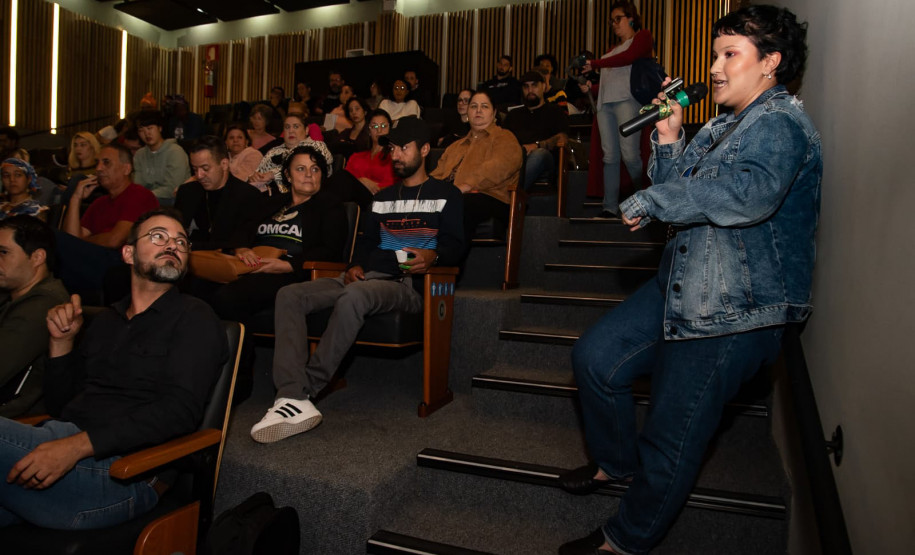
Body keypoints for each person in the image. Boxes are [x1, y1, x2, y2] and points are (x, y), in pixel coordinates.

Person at [558, 6, 820, 554]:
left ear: (770, 62)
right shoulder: (724, 124)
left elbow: (747, 196)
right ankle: (615, 462)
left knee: (671, 435)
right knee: (596, 359)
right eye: (716, 54)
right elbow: (681, 197)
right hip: (682, 281)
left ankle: (624, 541)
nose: (717, 68)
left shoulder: (781, 123)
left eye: (732, 55)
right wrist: (671, 136)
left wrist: (653, 196)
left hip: (734, 307)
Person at [0, 209, 228, 530]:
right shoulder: (106, 320)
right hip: (64, 445)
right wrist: (61, 344)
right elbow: (62, 405)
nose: (173, 246)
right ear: (128, 253)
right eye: (158, 236)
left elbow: (179, 412)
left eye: (181, 241)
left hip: (124, 473)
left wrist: (75, 447)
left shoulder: (195, 318)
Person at [249, 118, 464, 443]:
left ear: (423, 150)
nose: (395, 155)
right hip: (364, 275)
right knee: (290, 295)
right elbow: (365, 244)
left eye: (404, 148)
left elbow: (456, 245)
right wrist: (353, 265)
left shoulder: (447, 194)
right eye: (392, 148)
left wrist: (435, 256)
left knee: (356, 296)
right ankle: (291, 394)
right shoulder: (382, 198)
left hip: (406, 282)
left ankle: (304, 390)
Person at [203, 143, 347, 325]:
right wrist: (242, 248)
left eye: (315, 169)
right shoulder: (272, 203)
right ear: (288, 175)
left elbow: (330, 251)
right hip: (251, 266)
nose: (309, 174)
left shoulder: (330, 206)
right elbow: (243, 229)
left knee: (227, 298)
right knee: (198, 288)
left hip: (293, 274)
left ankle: (241, 350)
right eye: (301, 169)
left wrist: (285, 265)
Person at [580, 1, 653, 217]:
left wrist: (595, 64)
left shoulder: (641, 37)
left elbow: (628, 59)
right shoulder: (611, 51)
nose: (614, 24)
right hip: (605, 103)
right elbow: (610, 79)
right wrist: (590, 88)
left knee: (630, 154)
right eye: (611, 21)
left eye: (617, 18)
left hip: (627, 100)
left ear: (631, 18)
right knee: (609, 156)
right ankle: (610, 206)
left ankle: (645, 197)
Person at [57, 144, 159, 295]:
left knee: (55, 239)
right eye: (97, 162)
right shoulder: (99, 203)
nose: (98, 168)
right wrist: (76, 198)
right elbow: (71, 239)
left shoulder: (139, 195)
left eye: (106, 162)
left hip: (122, 262)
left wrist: (78, 242)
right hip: (95, 260)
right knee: (56, 241)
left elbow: (114, 240)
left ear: (126, 169)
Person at [429, 90, 522, 247]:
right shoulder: (454, 146)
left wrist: (465, 186)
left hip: (490, 197)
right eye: (473, 106)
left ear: (494, 113)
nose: (478, 110)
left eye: (484, 106)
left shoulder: (504, 137)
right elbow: (437, 174)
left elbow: (497, 167)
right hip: (455, 195)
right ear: (467, 113)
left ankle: (449, 262)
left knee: (460, 204)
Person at [0, 216, 69, 418]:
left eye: (3, 252)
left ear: (38, 257)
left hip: (18, 421)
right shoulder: (13, 296)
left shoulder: (44, 304)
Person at [175, 136, 268, 251]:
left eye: (205, 168)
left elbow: (238, 244)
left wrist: (190, 246)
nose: (199, 175)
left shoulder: (248, 196)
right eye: (195, 169)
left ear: (224, 164)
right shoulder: (187, 192)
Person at [503, 71, 570, 189]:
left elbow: (563, 138)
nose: (530, 90)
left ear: (544, 87)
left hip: (545, 160)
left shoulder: (555, 111)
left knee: (539, 154)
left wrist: (537, 146)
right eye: (526, 86)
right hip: (517, 159)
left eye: (534, 85)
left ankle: (511, 195)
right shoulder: (513, 115)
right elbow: (502, 141)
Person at [249, 114, 323, 194]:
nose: (291, 131)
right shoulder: (274, 150)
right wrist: (254, 177)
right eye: (287, 127)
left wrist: (272, 174)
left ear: (306, 130)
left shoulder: (317, 146)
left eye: (296, 126)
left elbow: (310, 171)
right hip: (264, 194)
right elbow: (258, 173)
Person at [341, 110, 397, 208]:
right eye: (375, 126)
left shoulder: (395, 156)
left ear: (390, 129)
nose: (379, 131)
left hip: (382, 202)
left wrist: (363, 185)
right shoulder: (356, 157)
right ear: (369, 131)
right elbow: (345, 184)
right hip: (354, 204)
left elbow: (398, 187)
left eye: (384, 126)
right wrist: (361, 181)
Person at [133, 111, 191, 205]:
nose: (146, 133)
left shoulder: (175, 152)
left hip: (174, 200)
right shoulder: (139, 155)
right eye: (141, 130)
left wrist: (145, 196)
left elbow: (172, 188)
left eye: (150, 128)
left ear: (160, 128)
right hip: (148, 199)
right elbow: (138, 185)